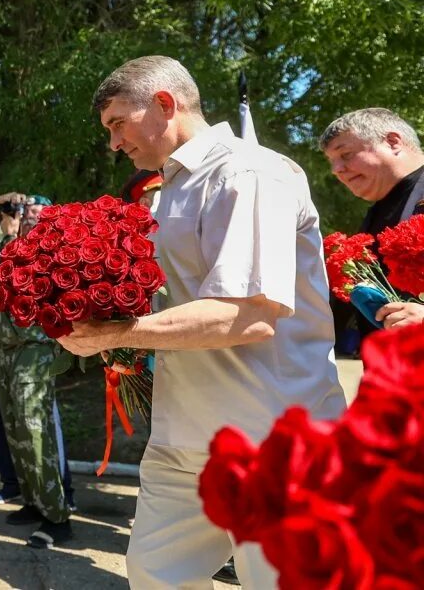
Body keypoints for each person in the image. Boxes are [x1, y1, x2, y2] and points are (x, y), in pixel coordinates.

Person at [64, 55, 345, 588]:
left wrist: (114, 335)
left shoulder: (248, 172)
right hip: (183, 437)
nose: (113, 143)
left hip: (271, 440)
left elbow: (249, 314)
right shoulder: (169, 187)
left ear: (165, 104)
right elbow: (176, 298)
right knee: (154, 574)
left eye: (117, 123)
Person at [0, 194, 76, 549]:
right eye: (24, 211)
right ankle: (33, 502)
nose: (27, 216)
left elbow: (29, 277)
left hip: (33, 349)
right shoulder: (7, 241)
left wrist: (14, 235)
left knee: (35, 432)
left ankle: (57, 517)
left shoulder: (50, 248)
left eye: (35, 211)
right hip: (4, 351)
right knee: (15, 430)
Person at [320, 108, 424, 331]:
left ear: (393, 142)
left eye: (345, 154)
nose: (336, 170)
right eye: (332, 161)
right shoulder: (378, 209)